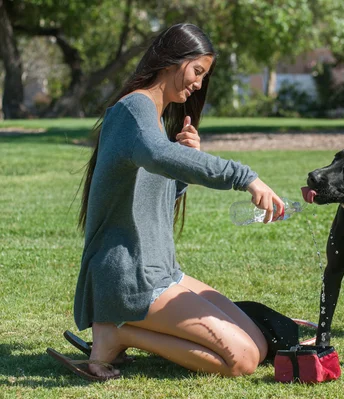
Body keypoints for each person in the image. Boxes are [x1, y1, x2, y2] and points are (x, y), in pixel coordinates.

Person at [47, 23, 286, 381]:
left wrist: (185, 165)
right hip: (129, 276)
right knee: (242, 361)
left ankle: (121, 332)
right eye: (197, 71)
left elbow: (155, 199)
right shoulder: (133, 111)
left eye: (204, 76)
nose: (199, 84)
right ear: (172, 61)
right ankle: (116, 332)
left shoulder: (152, 122)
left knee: (257, 343)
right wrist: (245, 177)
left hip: (162, 270)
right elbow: (158, 156)